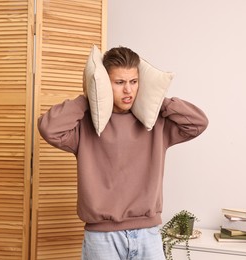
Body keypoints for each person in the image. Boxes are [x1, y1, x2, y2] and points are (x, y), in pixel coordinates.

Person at [38, 46, 209, 260]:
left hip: (148, 234)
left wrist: (157, 100)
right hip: (102, 237)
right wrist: (87, 98)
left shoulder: (156, 124)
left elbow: (198, 123)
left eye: (134, 82)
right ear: (104, 84)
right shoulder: (86, 125)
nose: (128, 90)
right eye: (119, 82)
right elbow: (49, 128)